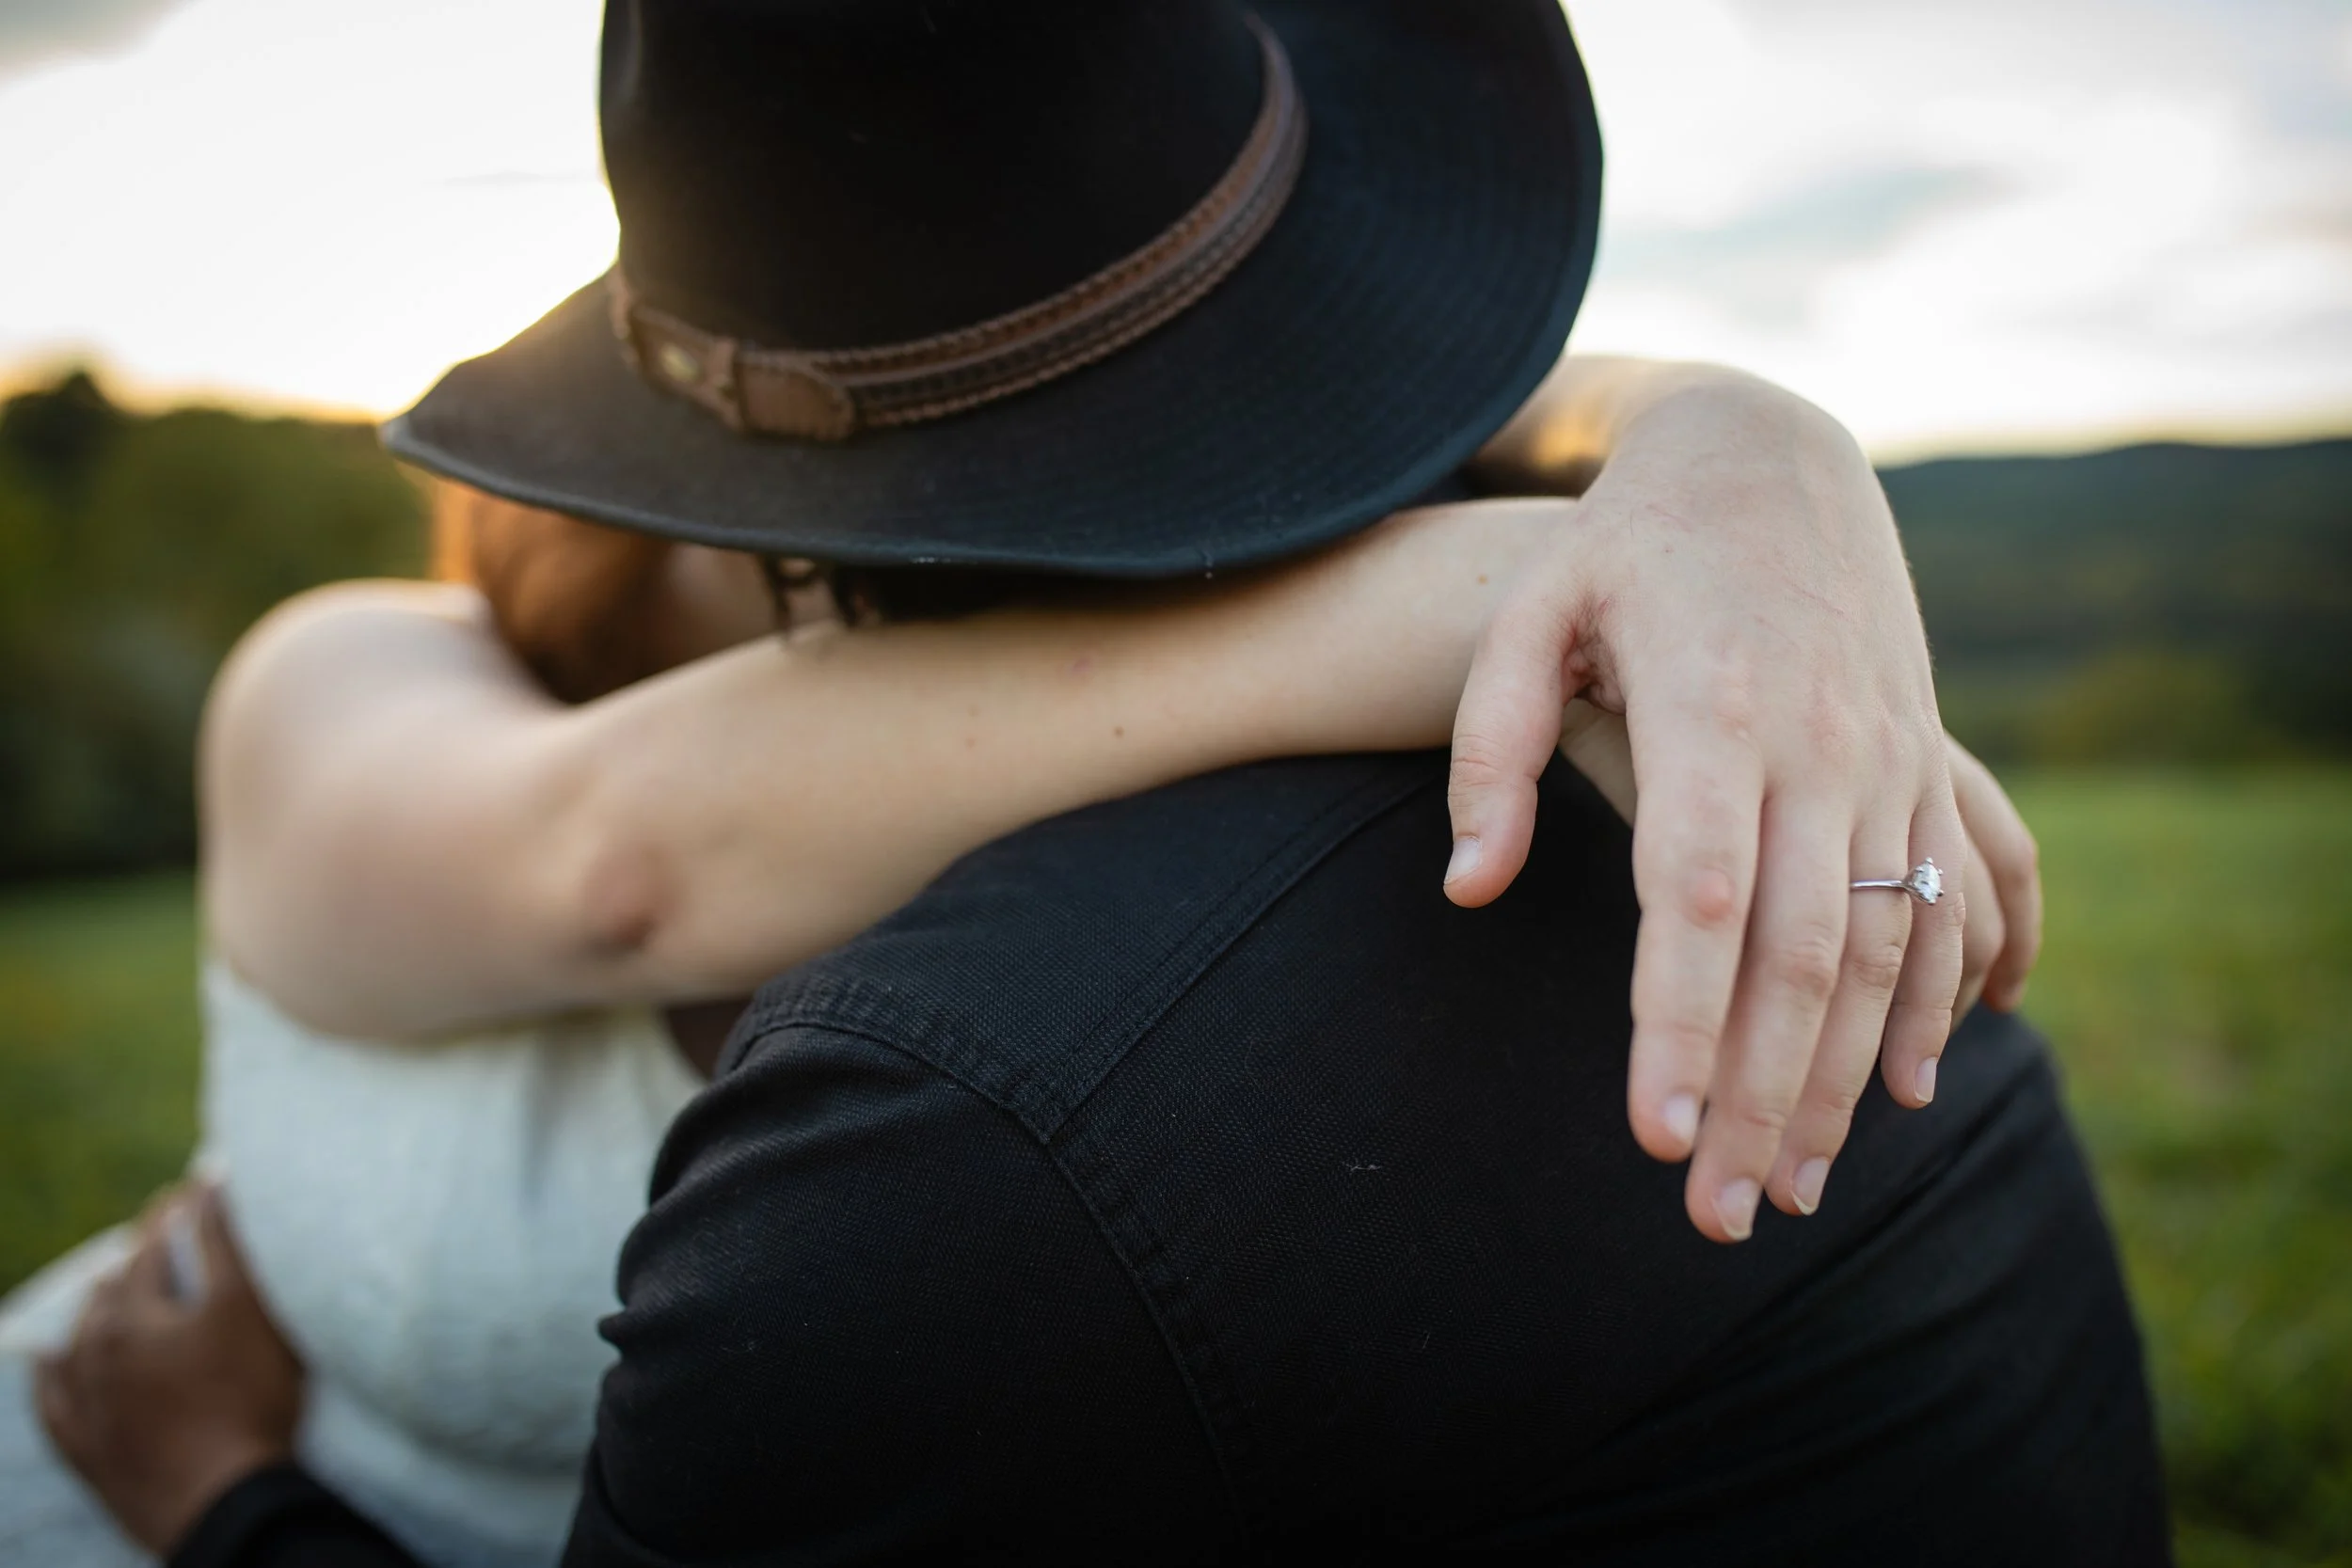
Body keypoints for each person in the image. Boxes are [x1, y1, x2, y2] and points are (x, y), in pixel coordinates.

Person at [32, 0, 2164, 1561]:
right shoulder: (343, 680)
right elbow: (619, 855)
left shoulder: (1085, 998)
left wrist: (1734, 448)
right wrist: (1528, 571)